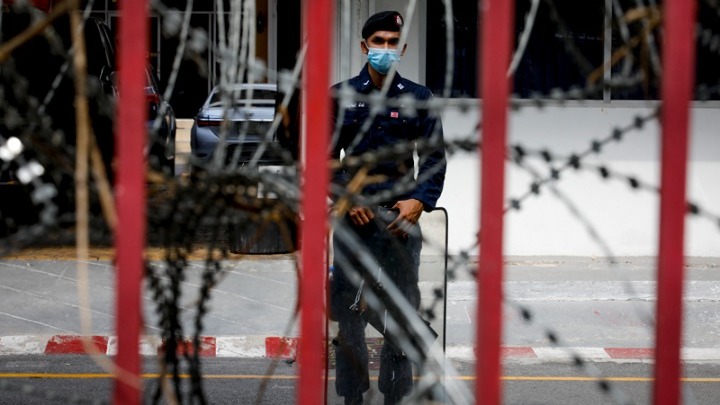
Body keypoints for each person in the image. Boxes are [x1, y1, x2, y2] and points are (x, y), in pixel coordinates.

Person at [329, 10, 446, 405]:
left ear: (403, 49)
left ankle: (397, 395)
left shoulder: (419, 98)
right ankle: (351, 395)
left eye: (392, 43)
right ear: (364, 46)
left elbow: (434, 158)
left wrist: (420, 200)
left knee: (401, 308)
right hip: (353, 222)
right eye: (378, 41)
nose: (384, 49)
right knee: (349, 311)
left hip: (400, 222)